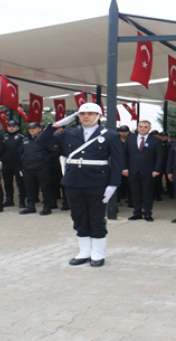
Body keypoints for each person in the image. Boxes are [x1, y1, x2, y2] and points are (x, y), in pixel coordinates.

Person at [36, 103, 123, 267]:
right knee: (78, 217)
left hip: (97, 182)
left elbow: (118, 162)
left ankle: (97, 253)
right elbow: (41, 141)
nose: (86, 116)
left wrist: (113, 184)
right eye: (82, 114)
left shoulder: (110, 135)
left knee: (96, 218)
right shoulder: (69, 133)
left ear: (98, 116)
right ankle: (84, 251)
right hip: (73, 182)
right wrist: (58, 124)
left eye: (90, 113)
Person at [123, 120, 163, 222]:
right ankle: (137, 213)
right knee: (135, 193)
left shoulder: (156, 140)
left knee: (147, 193)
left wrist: (157, 169)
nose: (142, 129)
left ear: (149, 128)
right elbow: (124, 155)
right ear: (137, 127)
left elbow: (159, 157)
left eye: (145, 127)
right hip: (133, 171)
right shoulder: (130, 139)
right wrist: (124, 168)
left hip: (149, 172)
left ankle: (147, 213)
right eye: (140, 126)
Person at [18, 122, 54, 216]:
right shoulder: (24, 140)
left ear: (39, 129)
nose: (32, 130)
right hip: (28, 168)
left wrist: (45, 160)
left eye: (34, 128)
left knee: (45, 188)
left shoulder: (45, 140)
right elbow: (21, 152)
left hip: (42, 168)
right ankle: (30, 206)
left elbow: (54, 151)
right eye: (30, 128)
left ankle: (47, 207)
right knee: (30, 188)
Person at [1, 120, 26, 208]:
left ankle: (22, 200)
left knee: (20, 182)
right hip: (6, 163)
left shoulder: (22, 137)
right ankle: (9, 199)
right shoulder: (3, 136)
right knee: (7, 182)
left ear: (17, 127)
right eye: (9, 126)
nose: (11, 128)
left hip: (18, 164)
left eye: (13, 126)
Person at [117, 125, 132, 207]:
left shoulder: (131, 141)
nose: (123, 133)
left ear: (128, 132)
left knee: (130, 185)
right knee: (118, 185)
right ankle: (118, 200)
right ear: (119, 132)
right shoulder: (115, 141)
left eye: (125, 131)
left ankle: (131, 201)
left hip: (129, 166)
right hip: (117, 166)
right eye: (122, 131)